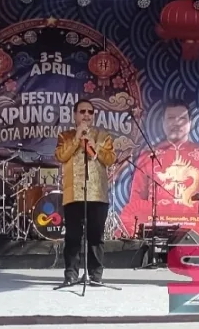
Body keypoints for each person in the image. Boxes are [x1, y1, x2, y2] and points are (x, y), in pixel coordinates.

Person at [119, 100, 199, 227]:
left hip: (196, 226)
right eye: (171, 118)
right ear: (163, 122)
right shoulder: (149, 155)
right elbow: (137, 198)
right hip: (157, 226)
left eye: (182, 118)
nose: (176, 123)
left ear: (190, 123)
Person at [54, 99, 117, 286]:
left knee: (96, 237)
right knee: (73, 236)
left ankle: (95, 275)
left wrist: (95, 146)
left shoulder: (103, 136)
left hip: (97, 194)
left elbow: (110, 159)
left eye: (90, 112)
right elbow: (61, 156)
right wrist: (76, 138)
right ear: (75, 115)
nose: (86, 115)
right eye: (82, 111)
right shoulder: (65, 136)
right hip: (73, 194)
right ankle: (71, 275)